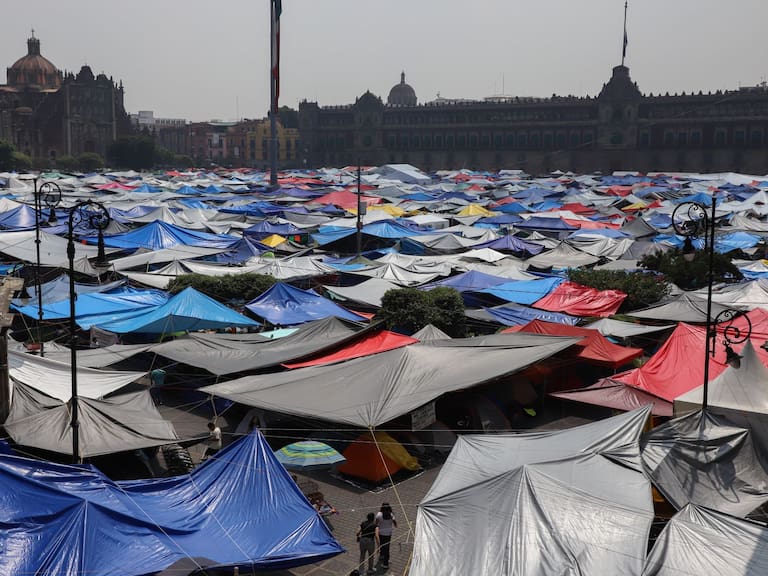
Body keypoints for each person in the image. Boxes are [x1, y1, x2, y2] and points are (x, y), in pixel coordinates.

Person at [375, 502, 397, 569]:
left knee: (381, 544)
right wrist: (395, 525)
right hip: (388, 534)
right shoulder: (391, 515)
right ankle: (385, 563)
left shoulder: (379, 514)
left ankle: (381, 556)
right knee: (387, 548)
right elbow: (395, 523)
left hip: (380, 533)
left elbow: (376, 523)